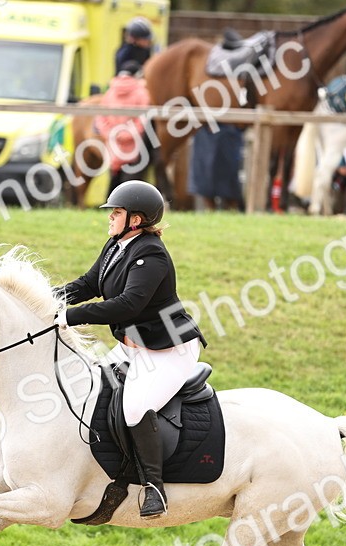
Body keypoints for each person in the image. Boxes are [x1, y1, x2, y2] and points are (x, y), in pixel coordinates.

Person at [55, 180, 207, 518]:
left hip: (168, 350)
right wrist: (42, 299)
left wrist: (68, 316)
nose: (110, 218)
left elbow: (127, 305)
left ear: (136, 220)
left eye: (117, 213)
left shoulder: (151, 254)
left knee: (135, 408)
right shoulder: (115, 245)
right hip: (133, 347)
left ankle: (155, 487)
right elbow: (89, 284)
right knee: (93, 391)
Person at [95, 60, 152, 193]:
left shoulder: (109, 92)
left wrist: (111, 134)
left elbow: (101, 118)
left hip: (114, 145)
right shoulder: (142, 92)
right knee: (131, 184)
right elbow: (143, 119)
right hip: (134, 146)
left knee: (114, 180)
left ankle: (110, 208)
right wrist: (128, 134)